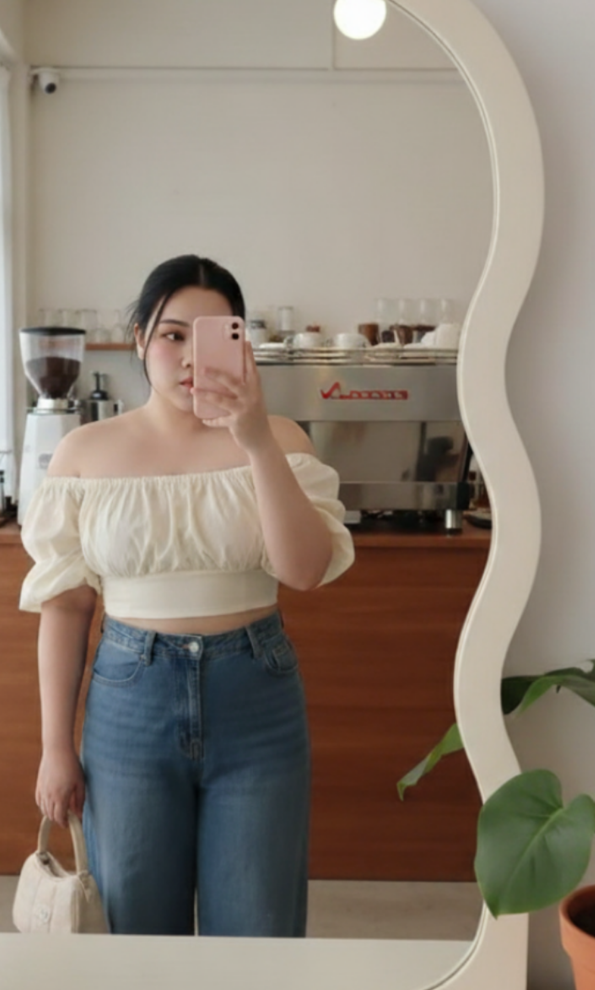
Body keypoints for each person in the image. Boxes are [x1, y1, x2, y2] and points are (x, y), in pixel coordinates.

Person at [18, 255, 355, 937]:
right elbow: (66, 607)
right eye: (173, 335)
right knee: (133, 926)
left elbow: (305, 571)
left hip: (255, 695)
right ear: (140, 338)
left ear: (240, 345)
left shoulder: (281, 438)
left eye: (211, 337)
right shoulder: (84, 451)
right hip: (128, 697)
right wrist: (55, 747)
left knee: (258, 927)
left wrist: (254, 440)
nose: (189, 357)